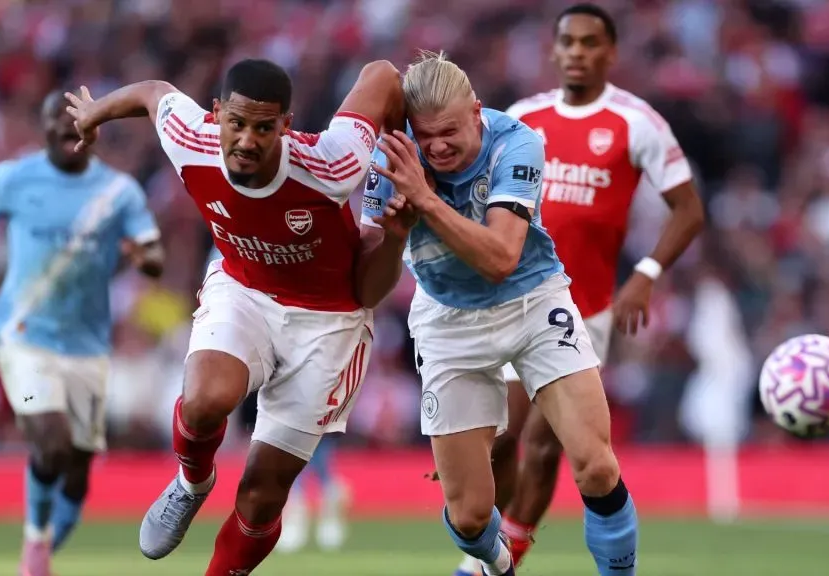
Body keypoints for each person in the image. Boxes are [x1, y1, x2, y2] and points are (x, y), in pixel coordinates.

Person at [63, 58, 407, 575]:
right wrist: (95, 114)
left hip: (328, 322)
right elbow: (154, 92)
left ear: (286, 125)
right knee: (204, 400)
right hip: (244, 290)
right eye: (237, 123)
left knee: (262, 494)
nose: (246, 140)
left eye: (264, 128)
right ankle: (191, 482)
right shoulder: (191, 139)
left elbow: (381, 75)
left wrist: (400, 154)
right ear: (217, 113)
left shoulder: (332, 164)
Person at [443, 5, 704, 574]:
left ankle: (497, 560)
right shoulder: (522, 118)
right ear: (554, 50)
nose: (578, 52)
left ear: (611, 53)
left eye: (590, 43)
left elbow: (688, 210)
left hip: (586, 312)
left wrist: (646, 274)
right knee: (500, 440)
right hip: (511, 300)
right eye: (569, 42)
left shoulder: (636, 122)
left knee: (545, 445)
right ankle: (489, 546)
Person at [362, 50, 638, 576]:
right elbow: (369, 287)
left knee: (597, 467)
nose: (436, 147)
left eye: (449, 131)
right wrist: (393, 237)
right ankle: (497, 566)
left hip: (533, 302)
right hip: (447, 320)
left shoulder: (517, 143)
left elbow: (501, 259)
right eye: (426, 135)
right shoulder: (391, 158)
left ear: (476, 113)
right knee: (469, 517)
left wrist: (426, 201)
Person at [0, 91, 165, 576]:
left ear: (93, 127)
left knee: (78, 469)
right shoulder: (13, 178)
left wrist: (143, 258)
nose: (66, 130)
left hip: (87, 346)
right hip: (23, 336)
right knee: (52, 440)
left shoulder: (119, 192)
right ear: (42, 129)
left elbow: (154, 253)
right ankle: (35, 545)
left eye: (75, 123)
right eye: (55, 122)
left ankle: (41, 552)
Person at [275, 434, 350, 553]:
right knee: (295, 464)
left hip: (323, 430)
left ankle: (330, 518)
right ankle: (295, 520)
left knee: (323, 465)